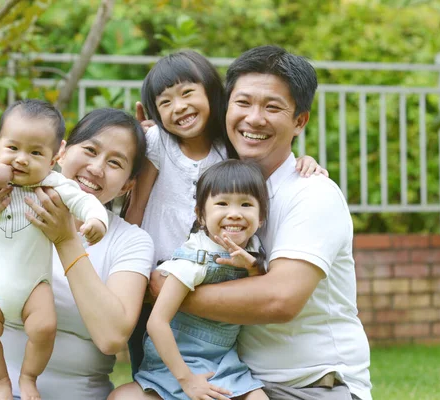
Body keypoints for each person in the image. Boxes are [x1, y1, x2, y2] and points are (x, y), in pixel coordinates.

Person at [149, 45, 373, 400]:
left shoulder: (312, 195)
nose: (253, 119)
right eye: (243, 103)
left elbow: (278, 300)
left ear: (300, 121)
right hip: (237, 376)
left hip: (308, 386)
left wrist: (169, 291)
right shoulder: (222, 187)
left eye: (272, 107)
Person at [124, 50, 327, 375]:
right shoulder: (156, 141)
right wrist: (128, 272)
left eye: (188, 93)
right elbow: (136, 206)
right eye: (165, 102)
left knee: (209, 363)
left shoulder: (229, 147)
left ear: (212, 93)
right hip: (152, 279)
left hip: (207, 278)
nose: (180, 107)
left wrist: (305, 160)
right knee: (149, 367)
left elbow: (269, 154)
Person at [0, 108, 154, 400]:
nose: (97, 168)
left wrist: (65, 239)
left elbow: (111, 337)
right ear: (61, 154)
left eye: (115, 163)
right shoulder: (2, 206)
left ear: (127, 184)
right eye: (90, 150)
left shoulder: (131, 241)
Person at [113, 160, 270, 400]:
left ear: (261, 218)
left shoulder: (254, 250)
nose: (235, 213)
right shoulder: (194, 260)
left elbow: (257, 298)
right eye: (222, 203)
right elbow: (157, 323)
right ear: (201, 215)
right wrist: (187, 380)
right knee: (122, 397)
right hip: (175, 365)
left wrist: (252, 268)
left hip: (223, 364)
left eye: (246, 204)